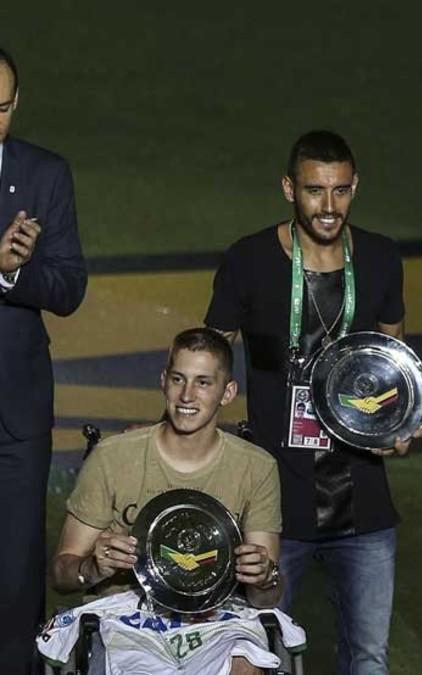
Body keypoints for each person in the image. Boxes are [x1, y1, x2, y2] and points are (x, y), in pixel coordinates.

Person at [205, 129, 419, 674]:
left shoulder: (379, 257)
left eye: (341, 191)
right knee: (261, 655)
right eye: (315, 191)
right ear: (288, 188)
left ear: (355, 188)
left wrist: (405, 419)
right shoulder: (249, 260)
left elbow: (394, 357)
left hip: (364, 499)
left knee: (369, 658)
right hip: (273, 505)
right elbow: (208, 359)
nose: (329, 207)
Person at [47, 327, 285, 674]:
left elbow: (266, 598)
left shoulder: (256, 467)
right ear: (163, 382)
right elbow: (61, 574)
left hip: (217, 617)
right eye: (178, 379)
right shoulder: (113, 457)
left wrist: (264, 577)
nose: (187, 395)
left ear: (227, 392)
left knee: (246, 665)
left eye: (203, 382)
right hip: (124, 616)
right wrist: (91, 568)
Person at [0, 45, 88, 673]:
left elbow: (68, 287)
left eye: (2, 108)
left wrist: (15, 275)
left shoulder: (44, 174)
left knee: (14, 575)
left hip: (16, 414)